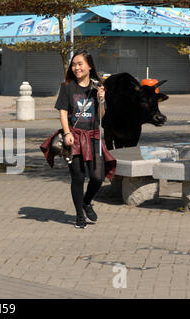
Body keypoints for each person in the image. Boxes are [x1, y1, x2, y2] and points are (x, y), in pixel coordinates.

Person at [54, 49, 116, 229]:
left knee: (97, 176)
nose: (76, 68)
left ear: (89, 66)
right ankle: (79, 215)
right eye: (74, 64)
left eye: (80, 64)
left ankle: (87, 201)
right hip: (74, 136)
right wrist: (67, 133)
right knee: (78, 177)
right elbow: (63, 111)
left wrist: (102, 100)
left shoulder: (98, 87)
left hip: (93, 136)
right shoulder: (67, 86)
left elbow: (101, 115)